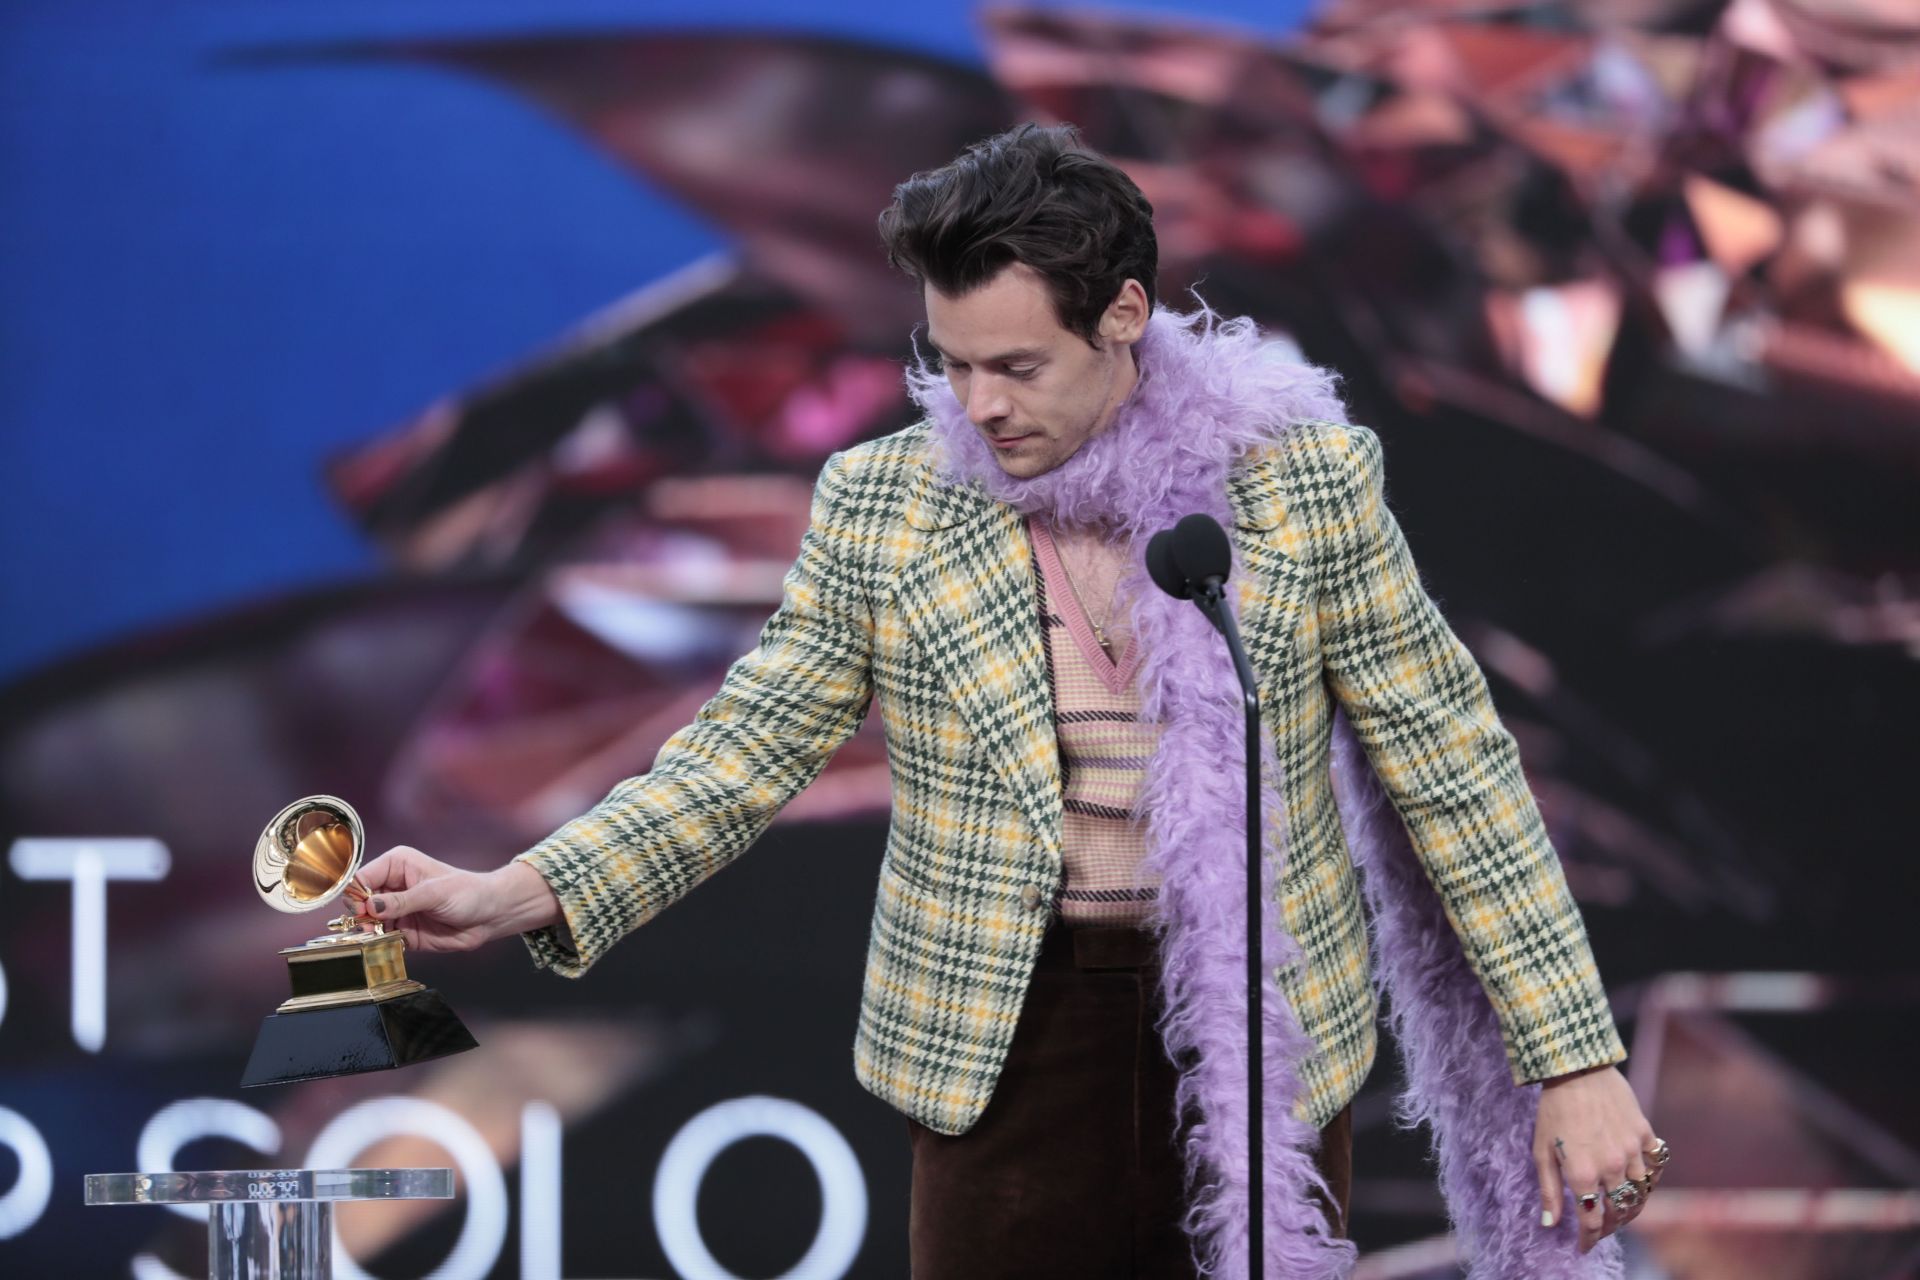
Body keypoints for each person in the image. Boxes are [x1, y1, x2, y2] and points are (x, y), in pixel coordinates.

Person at [358, 123, 1666, 1277]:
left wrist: (1574, 1055)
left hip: (1258, 1041)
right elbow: (741, 753)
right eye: (951, 362)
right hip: (1001, 1046)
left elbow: (1453, 762)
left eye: (1019, 368)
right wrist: (519, 888)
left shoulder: (1298, 484)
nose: (979, 406)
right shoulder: (888, 504)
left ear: (1124, 316)